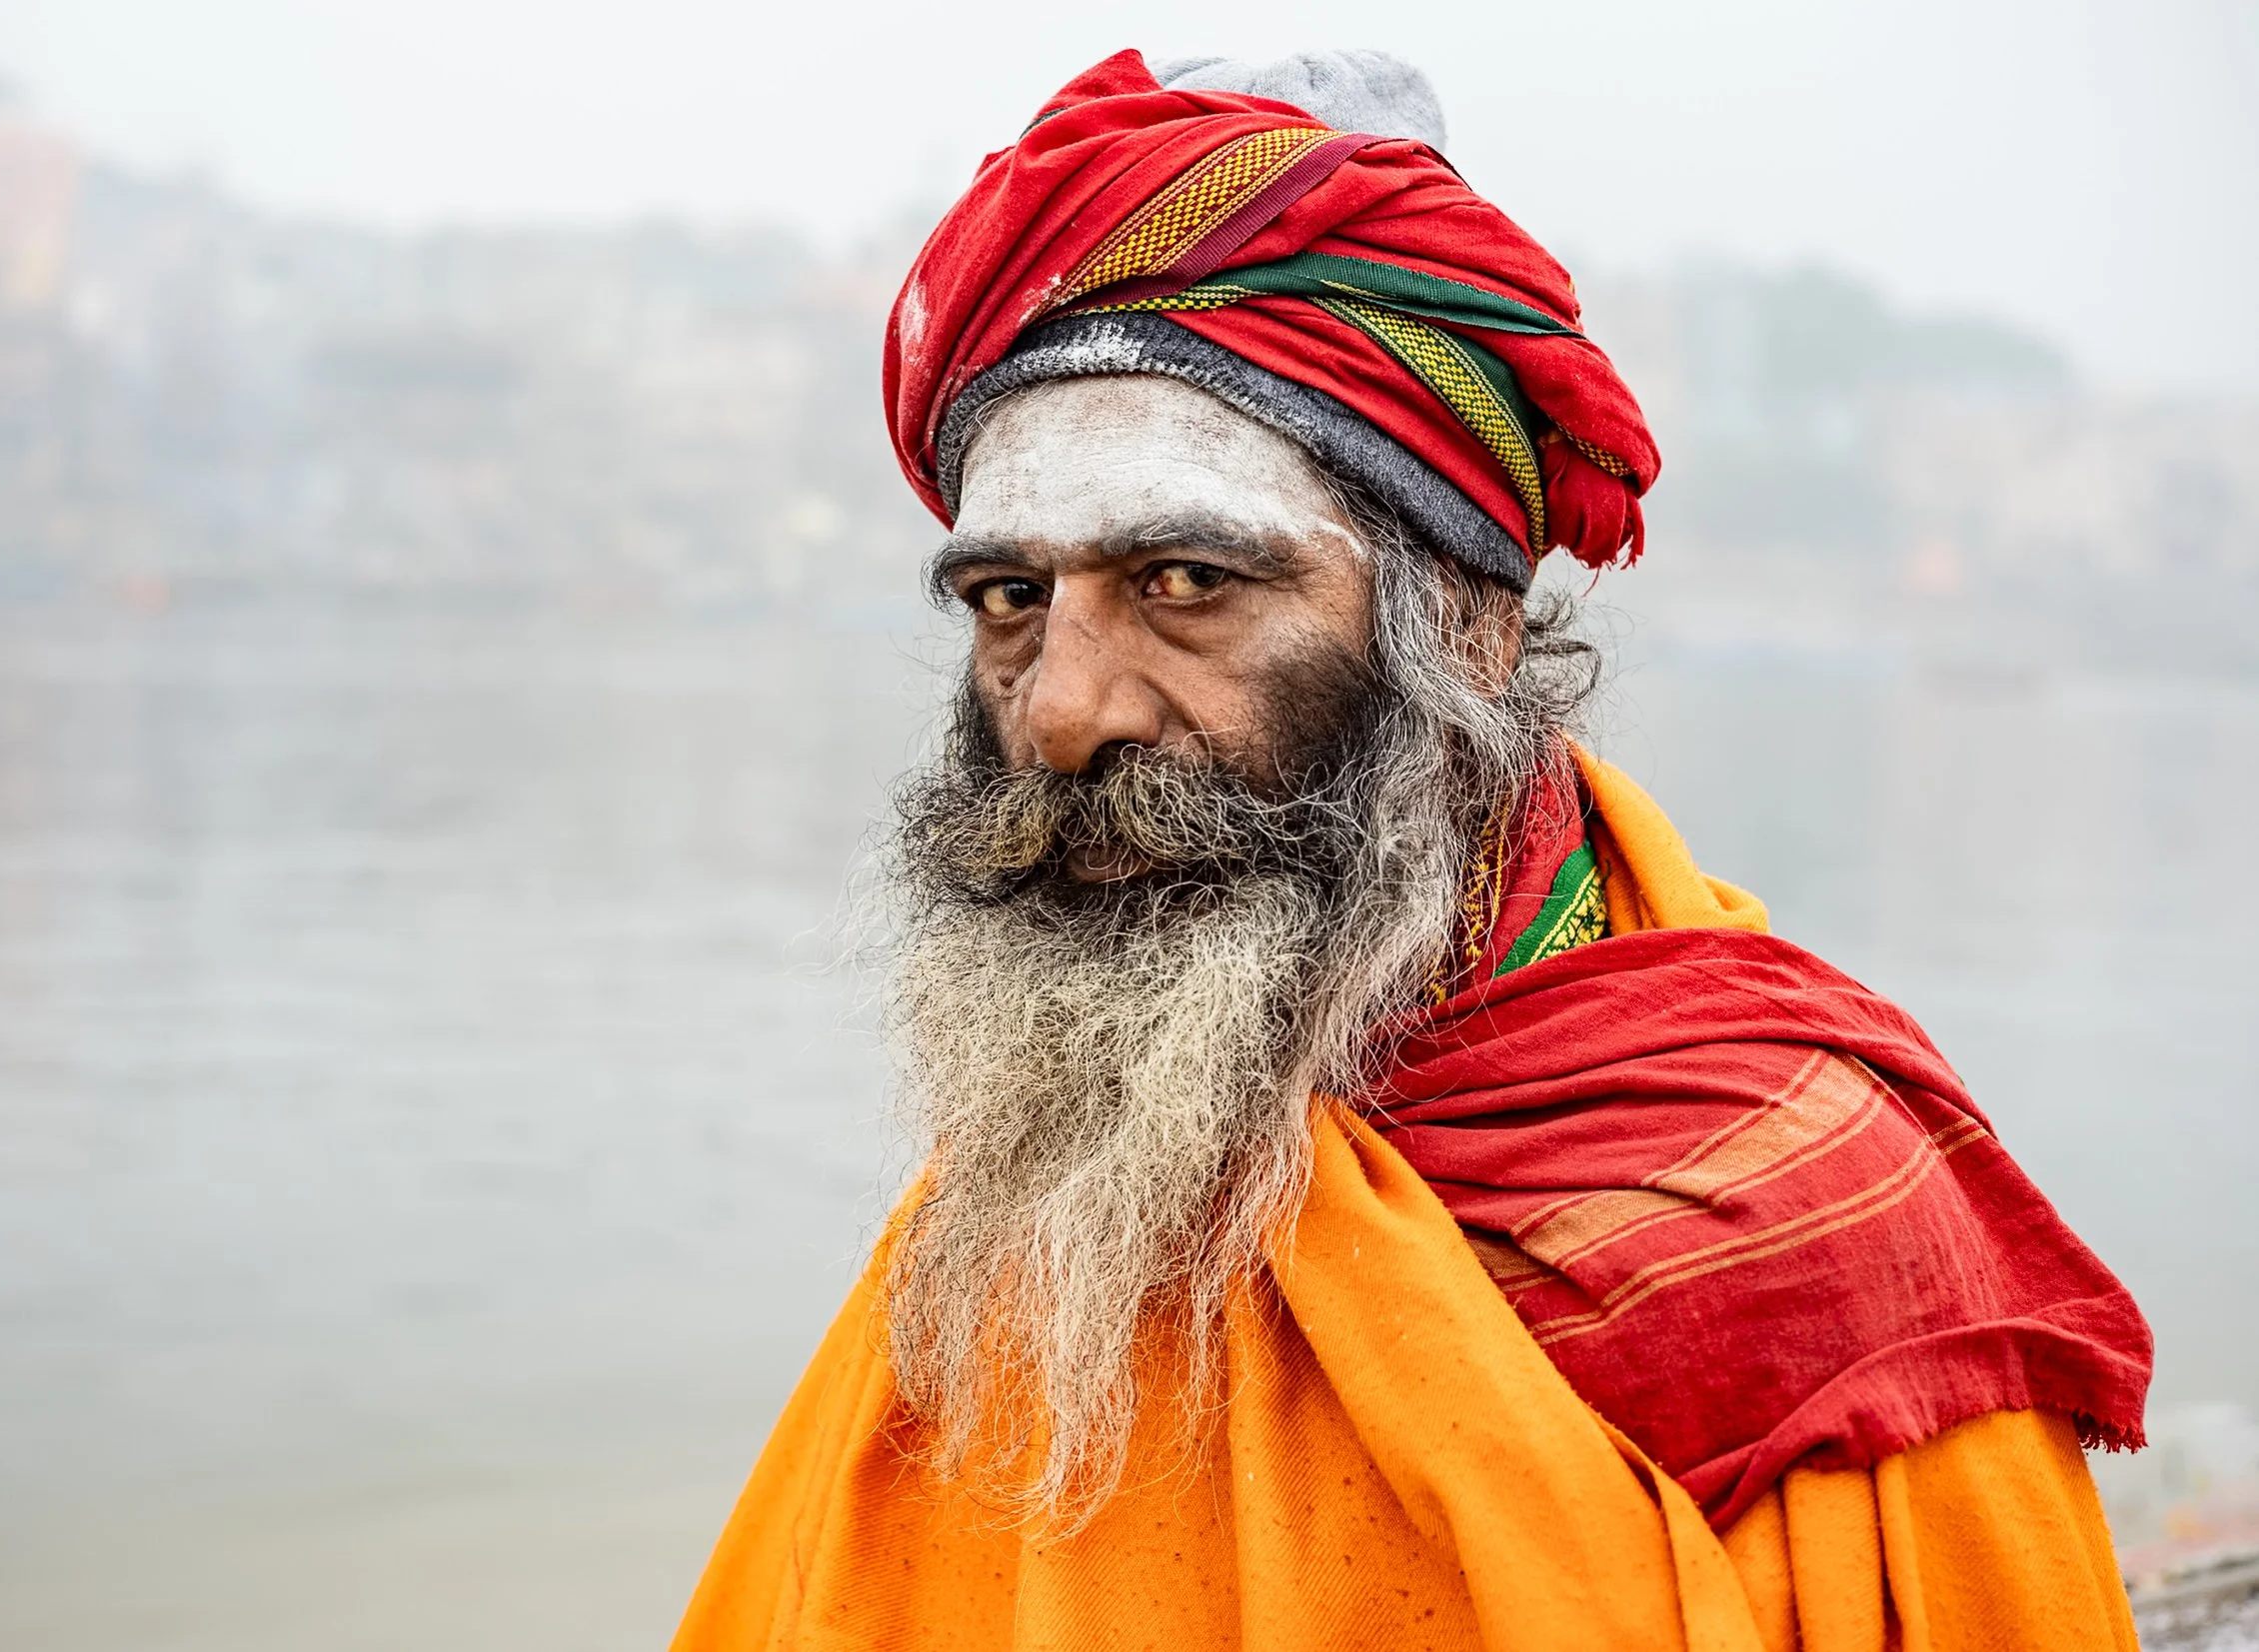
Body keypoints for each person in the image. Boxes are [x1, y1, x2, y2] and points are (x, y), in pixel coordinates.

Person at [673, 49, 2150, 1651]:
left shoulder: (1798, 1220)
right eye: (1009, 601)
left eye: (1185, 582)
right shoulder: (1062, 1183)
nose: (1064, 712)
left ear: (1467, 623)